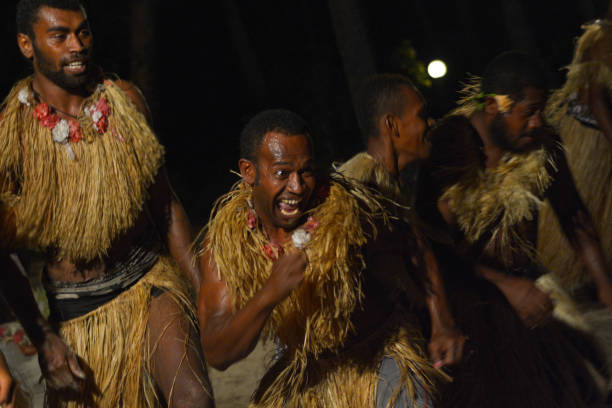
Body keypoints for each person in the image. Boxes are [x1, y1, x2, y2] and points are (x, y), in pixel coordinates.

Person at [0, 1, 212, 406]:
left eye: (83, 32)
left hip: (149, 284)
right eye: (59, 36)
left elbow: (166, 207)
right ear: (27, 45)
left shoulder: (124, 103)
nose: (77, 45)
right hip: (75, 315)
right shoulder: (14, 136)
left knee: (194, 400)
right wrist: (44, 339)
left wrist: (205, 300)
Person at [197, 109, 445, 407]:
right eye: (282, 173)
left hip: (378, 357)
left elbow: (411, 239)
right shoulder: (226, 245)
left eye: (306, 171)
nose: (297, 187)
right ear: (249, 172)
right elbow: (217, 353)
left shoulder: (347, 214)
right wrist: (270, 294)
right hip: (304, 369)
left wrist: (443, 322)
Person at [418, 51, 611, 407]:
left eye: (541, 110)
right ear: (493, 106)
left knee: (591, 376)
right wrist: (505, 286)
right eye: (528, 113)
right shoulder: (452, 146)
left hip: (530, 285)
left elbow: (575, 219)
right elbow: (431, 242)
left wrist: (605, 288)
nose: (537, 122)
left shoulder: (542, 145)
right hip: (468, 296)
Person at [337, 73, 466, 369]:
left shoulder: (392, 191)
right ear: (392, 125)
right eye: (422, 116)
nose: (430, 123)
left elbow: (417, 248)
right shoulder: (363, 192)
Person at [539, 2, 612, 295]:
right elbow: (596, 101)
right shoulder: (601, 39)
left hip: (600, 142)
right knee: (582, 215)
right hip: (591, 141)